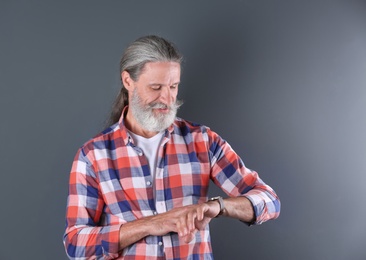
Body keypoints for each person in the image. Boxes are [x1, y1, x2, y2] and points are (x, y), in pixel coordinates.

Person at [63, 35, 280, 260]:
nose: (167, 98)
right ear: (128, 81)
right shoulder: (93, 156)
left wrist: (217, 207)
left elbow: (270, 202)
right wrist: (150, 225)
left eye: (173, 86)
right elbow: (76, 244)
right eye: (156, 87)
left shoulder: (203, 141)